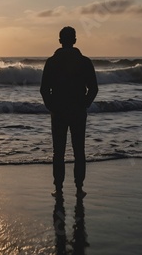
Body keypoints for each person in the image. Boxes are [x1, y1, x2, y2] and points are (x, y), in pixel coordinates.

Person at [40, 26, 98, 198]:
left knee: (59, 151)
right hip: (78, 110)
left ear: (60, 41)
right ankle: (79, 188)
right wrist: (85, 104)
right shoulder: (84, 61)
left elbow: (44, 89)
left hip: (58, 111)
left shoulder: (52, 62)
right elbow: (93, 88)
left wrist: (51, 106)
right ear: (74, 41)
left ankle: (58, 189)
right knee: (79, 149)